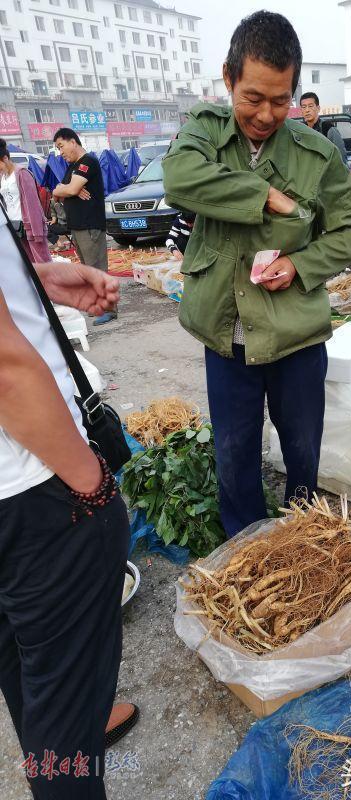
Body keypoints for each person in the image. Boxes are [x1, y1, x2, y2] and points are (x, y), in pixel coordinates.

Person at [163, 11, 351, 538]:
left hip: (295, 332)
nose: (265, 114)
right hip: (225, 332)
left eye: (280, 100)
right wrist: (262, 196)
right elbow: (181, 180)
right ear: (229, 77)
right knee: (234, 453)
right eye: (253, 97)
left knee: (302, 447)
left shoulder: (316, 155)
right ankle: (247, 546)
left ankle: (301, 536)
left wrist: (299, 265)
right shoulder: (205, 132)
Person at [0, 195, 137, 799]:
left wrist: (33, 281)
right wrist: (88, 479)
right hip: (32, 487)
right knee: (63, 719)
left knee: (26, 661)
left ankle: (62, 733)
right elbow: (5, 366)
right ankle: (66, 750)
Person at [51, 128, 114, 326]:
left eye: (61, 146)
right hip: (77, 226)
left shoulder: (88, 162)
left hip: (89, 224)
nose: (60, 152)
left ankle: (109, 309)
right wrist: (71, 190)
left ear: (73, 142)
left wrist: (70, 189)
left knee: (97, 268)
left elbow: (68, 188)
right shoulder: (72, 166)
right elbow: (56, 193)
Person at [0, 138, 51, 263]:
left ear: (5, 159)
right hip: (14, 225)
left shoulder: (21, 174)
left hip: (29, 226)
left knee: (42, 263)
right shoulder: (3, 177)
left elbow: (33, 204)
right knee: (28, 265)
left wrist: (37, 231)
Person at [299, 91, 348, 164]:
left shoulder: (328, 128)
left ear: (318, 108)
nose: (307, 110)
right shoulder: (300, 130)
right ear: (301, 111)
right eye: (304, 107)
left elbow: (340, 158)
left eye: (310, 106)